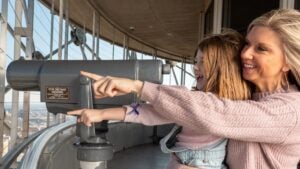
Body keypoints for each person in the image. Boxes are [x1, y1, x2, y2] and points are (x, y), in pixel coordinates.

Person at [68, 9, 300, 169]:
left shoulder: (290, 111)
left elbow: (217, 114)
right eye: (247, 44)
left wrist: (140, 87)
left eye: (261, 49)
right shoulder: (250, 97)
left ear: (288, 62)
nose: (245, 53)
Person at [68, 30, 251, 169]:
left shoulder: (208, 104)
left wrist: (136, 87)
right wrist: (100, 114)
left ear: (223, 67)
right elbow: (150, 111)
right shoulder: (228, 104)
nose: (196, 67)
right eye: (196, 61)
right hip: (184, 161)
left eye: (203, 61)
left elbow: (169, 106)